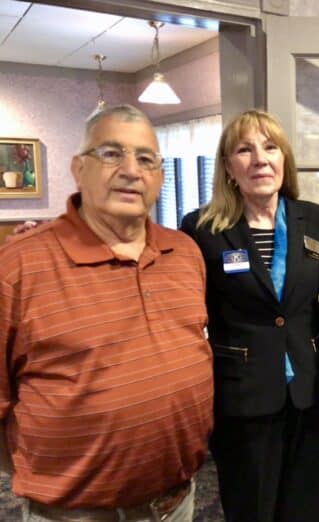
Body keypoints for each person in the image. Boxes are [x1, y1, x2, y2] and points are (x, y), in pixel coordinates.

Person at [0, 105, 213, 521]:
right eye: (112, 154)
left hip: (177, 502)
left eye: (146, 159)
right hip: (74, 513)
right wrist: (40, 472)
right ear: (79, 168)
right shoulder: (18, 266)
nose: (132, 170)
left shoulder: (185, 252)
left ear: (160, 177)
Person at [180, 109, 319, 522]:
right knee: (250, 507)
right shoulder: (202, 229)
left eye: (270, 147)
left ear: (284, 159)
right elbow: (182, 304)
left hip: (309, 389)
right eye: (244, 150)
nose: (260, 159)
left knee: (303, 506)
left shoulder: (314, 218)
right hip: (242, 395)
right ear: (230, 167)